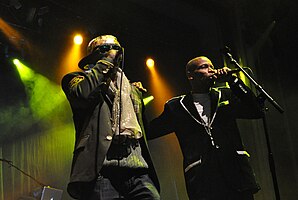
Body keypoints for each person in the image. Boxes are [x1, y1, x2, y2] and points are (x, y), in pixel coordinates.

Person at [148, 56, 263, 200]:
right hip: (203, 181)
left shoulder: (225, 94)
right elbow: (150, 131)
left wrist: (233, 82)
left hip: (236, 174)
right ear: (190, 75)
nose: (211, 70)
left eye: (211, 66)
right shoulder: (176, 107)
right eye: (204, 67)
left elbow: (256, 111)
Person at [61, 35, 160, 200]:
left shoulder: (131, 88)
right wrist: (105, 63)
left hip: (137, 170)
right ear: (92, 55)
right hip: (102, 169)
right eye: (104, 49)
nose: (112, 51)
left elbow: (143, 127)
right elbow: (83, 95)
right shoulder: (76, 79)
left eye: (115, 48)